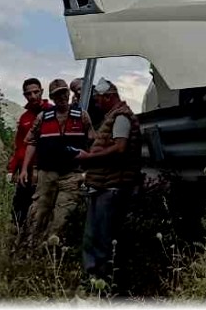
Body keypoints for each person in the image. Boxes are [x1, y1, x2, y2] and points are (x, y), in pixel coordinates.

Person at [75, 78, 143, 281]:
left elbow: (120, 148)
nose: (96, 104)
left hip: (111, 188)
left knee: (102, 237)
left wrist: (89, 158)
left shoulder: (121, 117)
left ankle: (101, 281)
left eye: (98, 99)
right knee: (94, 236)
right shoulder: (114, 116)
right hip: (104, 185)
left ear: (108, 97)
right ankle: (94, 278)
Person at [19, 79, 93, 246]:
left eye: (64, 92)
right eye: (57, 94)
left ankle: (49, 251)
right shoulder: (43, 117)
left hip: (71, 175)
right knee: (38, 213)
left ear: (68, 93)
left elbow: (92, 140)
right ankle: (29, 248)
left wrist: (89, 162)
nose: (62, 97)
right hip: (47, 173)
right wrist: (25, 169)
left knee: (62, 217)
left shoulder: (82, 116)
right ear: (52, 97)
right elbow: (31, 142)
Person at [8, 78, 49, 232]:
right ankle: (16, 236)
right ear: (24, 95)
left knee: (40, 209)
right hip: (26, 170)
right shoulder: (24, 117)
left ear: (41, 92)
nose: (32, 96)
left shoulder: (52, 112)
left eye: (35, 92)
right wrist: (13, 169)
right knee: (19, 207)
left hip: (45, 169)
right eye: (28, 94)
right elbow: (20, 145)